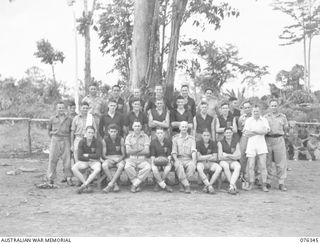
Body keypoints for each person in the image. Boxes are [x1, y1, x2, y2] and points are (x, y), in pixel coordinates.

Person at [242, 106, 270, 192]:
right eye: (254, 111)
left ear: (260, 111)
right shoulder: (248, 120)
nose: (256, 113)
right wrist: (259, 131)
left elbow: (266, 131)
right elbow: (246, 133)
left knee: (263, 166)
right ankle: (251, 184)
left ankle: (264, 184)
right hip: (251, 145)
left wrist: (253, 131)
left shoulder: (264, 120)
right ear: (252, 112)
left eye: (257, 111)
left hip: (261, 144)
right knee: (250, 166)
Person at [264, 99, 289, 191]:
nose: (274, 107)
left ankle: (281, 182)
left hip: (279, 139)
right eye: (272, 106)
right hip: (268, 139)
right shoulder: (265, 117)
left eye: (275, 105)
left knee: (281, 162)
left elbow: (286, 128)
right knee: (268, 161)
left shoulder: (283, 117)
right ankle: (268, 181)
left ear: (278, 106)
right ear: (269, 107)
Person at [47, 101, 73, 186]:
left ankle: (68, 177)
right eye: (59, 108)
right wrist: (53, 137)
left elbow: (71, 131)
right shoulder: (52, 118)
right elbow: (49, 130)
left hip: (65, 139)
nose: (61, 109)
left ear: (65, 109)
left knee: (67, 160)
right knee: (52, 159)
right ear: (56, 109)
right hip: (55, 139)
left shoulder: (69, 119)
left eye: (62, 108)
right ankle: (51, 178)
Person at [72, 126, 102, 194]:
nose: (90, 134)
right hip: (85, 161)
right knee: (74, 168)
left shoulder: (97, 142)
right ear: (85, 133)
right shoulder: (81, 141)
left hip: (94, 162)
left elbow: (98, 155)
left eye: (92, 133)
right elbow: (79, 157)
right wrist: (91, 157)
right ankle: (86, 184)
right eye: (89, 132)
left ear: (94, 133)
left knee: (98, 169)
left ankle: (83, 186)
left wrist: (87, 155)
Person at [124, 120, 151, 193]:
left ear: (141, 127)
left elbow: (147, 151)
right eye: (135, 126)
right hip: (131, 159)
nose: (137, 128)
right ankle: (137, 184)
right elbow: (128, 151)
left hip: (142, 159)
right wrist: (140, 149)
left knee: (148, 167)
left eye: (138, 126)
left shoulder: (145, 136)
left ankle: (134, 185)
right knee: (127, 167)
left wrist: (134, 150)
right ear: (132, 127)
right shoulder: (129, 137)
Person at [172, 121, 197, 194]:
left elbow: (193, 151)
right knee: (179, 166)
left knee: (192, 166)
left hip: (188, 159)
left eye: (185, 127)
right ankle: (187, 185)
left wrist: (194, 160)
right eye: (182, 127)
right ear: (179, 128)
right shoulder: (175, 138)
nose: (184, 128)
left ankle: (182, 183)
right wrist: (176, 160)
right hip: (179, 158)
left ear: (187, 128)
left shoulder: (192, 139)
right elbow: (174, 152)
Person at [101, 124, 126, 193]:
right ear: (108, 132)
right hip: (109, 157)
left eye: (114, 131)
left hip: (118, 157)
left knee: (121, 165)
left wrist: (119, 159)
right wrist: (111, 159)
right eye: (111, 131)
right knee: (104, 165)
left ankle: (109, 185)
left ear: (117, 132)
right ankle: (114, 184)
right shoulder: (105, 140)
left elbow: (123, 154)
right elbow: (104, 155)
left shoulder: (121, 139)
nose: (113, 133)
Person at [196, 129, 222, 194]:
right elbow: (198, 157)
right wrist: (209, 156)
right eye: (204, 135)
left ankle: (208, 185)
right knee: (199, 168)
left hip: (211, 163)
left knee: (219, 168)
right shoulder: (198, 143)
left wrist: (203, 157)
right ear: (202, 136)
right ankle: (210, 186)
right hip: (201, 163)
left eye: (208, 135)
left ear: (210, 136)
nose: (206, 137)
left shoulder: (213, 143)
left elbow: (215, 158)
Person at [218, 127, 241, 195]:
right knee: (225, 165)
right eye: (227, 133)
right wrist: (233, 156)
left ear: (232, 133)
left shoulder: (236, 142)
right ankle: (233, 186)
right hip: (223, 162)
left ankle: (231, 185)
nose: (228, 134)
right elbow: (220, 157)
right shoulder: (220, 143)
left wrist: (227, 155)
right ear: (224, 134)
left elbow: (239, 156)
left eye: (230, 133)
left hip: (232, 161)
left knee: (238, 166)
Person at [150, 127, 173, 192]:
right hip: (156, 160)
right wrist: (152, 163)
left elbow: (169, 154)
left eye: (161, 133)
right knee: (154, 169)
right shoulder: (153, 142)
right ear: (156, 134)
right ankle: (164, 185)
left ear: (164, 134)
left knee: (167, 168)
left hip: (166, 160)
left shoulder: (168, 141)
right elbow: (152, 155)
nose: (160, 134)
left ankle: (158, 183)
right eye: (158, 133)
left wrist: (168, 161)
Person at [238, 101, 252, 180]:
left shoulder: (256, 116)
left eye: (248, 107)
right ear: (243, 109)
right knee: (242, 155)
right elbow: (240, 129)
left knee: (253, 157)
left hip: (254, 138)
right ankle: (241, 174)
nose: (247, 109)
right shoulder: (241, 118)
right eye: (245, 108)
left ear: (251, 108)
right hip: (244, 137)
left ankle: (254, 176)